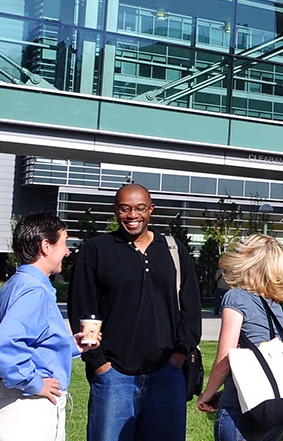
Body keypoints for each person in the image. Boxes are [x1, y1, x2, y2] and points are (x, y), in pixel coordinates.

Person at [68, 183, 202, 440]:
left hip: (167, 374)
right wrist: (99, 364)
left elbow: (191, 308)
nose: (132, 216)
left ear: (151, 210)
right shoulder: (96, 250)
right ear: (115, 211)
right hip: (113, 377)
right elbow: (83, 310)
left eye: (140, 208)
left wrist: (179, 356)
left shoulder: (174, 250)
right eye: (125, 209)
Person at [0, 212, 98, 440]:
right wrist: (34, 382)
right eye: (63, 244)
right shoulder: (34, 290)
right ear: (45, 246)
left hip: (10, 405)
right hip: (25, 411)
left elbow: (31, 341)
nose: (67, 251)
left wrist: (70, 346)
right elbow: (4, 345)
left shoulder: (18, 284)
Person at [195, 234, 283, 441]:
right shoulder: (274, 305)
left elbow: (226, 358)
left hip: (239, 412)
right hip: (273, 410)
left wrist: (207, 394)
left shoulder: (236, 297)